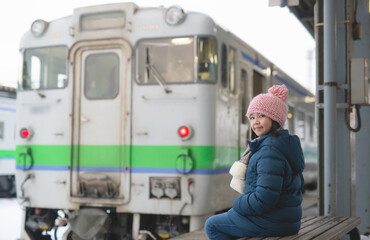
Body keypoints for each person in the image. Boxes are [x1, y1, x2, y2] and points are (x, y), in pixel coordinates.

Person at [205, 84, 305, 239]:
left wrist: (238, 204)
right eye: (252, 117)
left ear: (275, 119)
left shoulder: (270, 151)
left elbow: (264, 199)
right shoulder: (281, 144)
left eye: (261, 116)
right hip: (284, 220)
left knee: (212, 225)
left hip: (270, 221)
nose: (255, 122)